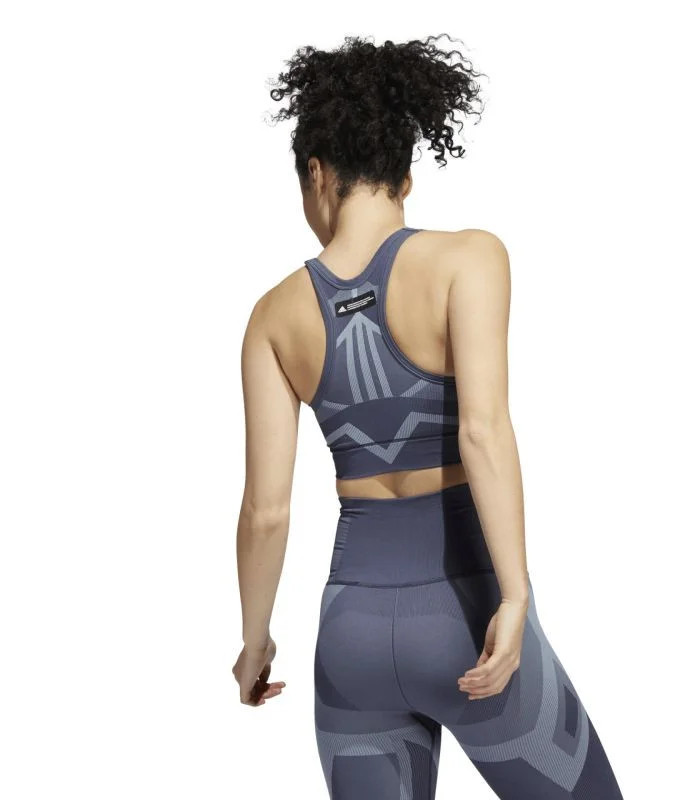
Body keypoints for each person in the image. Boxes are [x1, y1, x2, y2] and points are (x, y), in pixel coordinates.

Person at [231, 34, 624, 799]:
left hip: (349, 643)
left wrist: (254, 644)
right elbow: (482, 431)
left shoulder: (272, 317)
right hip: (466, 616)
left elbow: (266, 512)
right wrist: (514, 597)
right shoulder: (467, 259)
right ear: (405, 176)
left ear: (317, 173)